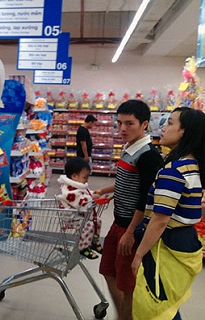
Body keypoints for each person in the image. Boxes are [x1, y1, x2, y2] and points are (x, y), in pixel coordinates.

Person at [131, 107, 205, 320]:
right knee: (167, 305)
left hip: (167, 246)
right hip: (186, 241)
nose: (163, 128)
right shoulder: (193, 166)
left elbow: (160, 220)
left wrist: (139, 255)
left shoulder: (173, 171)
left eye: (170, 123)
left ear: (185, 132)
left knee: (155, 305)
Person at [93, 99, 163, 320]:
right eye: (119, 123)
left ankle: (126, 316)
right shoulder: (129, 148)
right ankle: (123, 314)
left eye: (129, 123)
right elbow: (125, 181)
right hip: (119, 221)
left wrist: (131, 232)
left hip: (131, 228)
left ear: (144, 125)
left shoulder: (148, 155)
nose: (122, 128)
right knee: (107, 270)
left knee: (126, 283)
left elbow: (145, 198)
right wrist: (103, 190)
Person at [56, 157, 103, 259]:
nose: (86, 180)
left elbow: (85, 193)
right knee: (89, 225)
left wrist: (93, 193)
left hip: (78, 216)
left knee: (97, 221)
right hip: (71, 218)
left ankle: (94, 241)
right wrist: (92, 198)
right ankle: (84, 248)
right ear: (74, 176)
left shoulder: (77, 185)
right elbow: (80, 203)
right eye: (85, 177)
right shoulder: (68, 190)